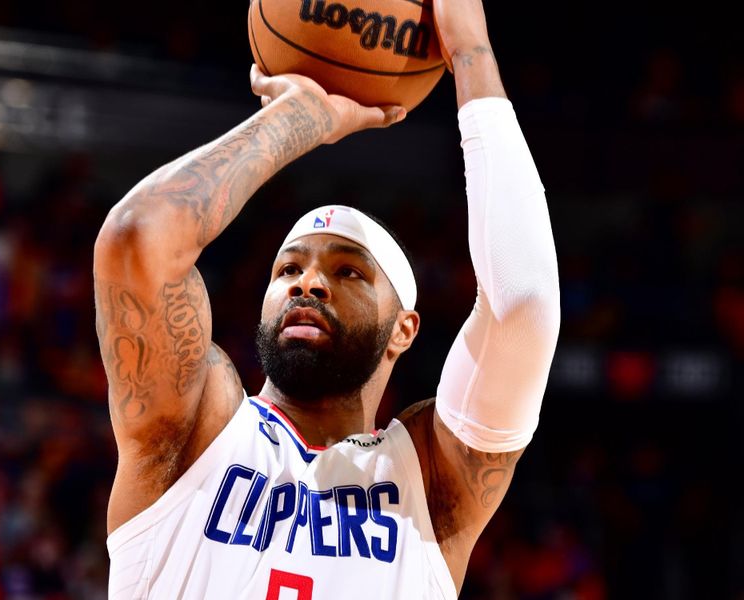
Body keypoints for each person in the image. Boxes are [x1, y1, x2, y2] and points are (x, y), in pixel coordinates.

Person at [93, 0, 560, 597]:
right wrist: (302, 118)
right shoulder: (194, 431)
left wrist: (471, 53)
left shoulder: (433, 484)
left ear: (404, 329)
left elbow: (525, 305)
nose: (308, 283)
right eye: (288, 268)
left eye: (349, 273)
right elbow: (138, 239)